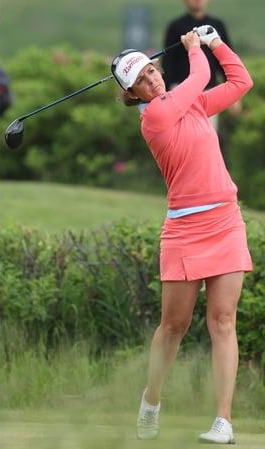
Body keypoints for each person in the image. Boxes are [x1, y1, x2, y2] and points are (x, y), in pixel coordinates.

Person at [111, 25, 252, 444]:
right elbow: (201, 77)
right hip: (185, 231)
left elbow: (241, 81)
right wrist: (195, 47)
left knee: (223, 322)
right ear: (132, 94)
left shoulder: (192, 106)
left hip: (226, 222)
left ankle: (223, 421)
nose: (152, 79)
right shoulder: (154, 116)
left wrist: (216, 42)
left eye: (152, 71)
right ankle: (151, 400)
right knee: (174, 324)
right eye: (141, 80)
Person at [162, 0, 239, 129]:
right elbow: (168, 63)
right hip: (180, 91)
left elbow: (224, 60)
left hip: (209, 92)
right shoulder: (175, 26)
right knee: (182, 133)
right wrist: (164, 94)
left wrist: (234, 96)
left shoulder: (216, 26)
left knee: (207, 133)